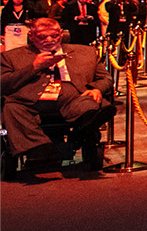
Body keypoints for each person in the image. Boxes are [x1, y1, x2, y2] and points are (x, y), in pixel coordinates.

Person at [2, 17, 115, 171]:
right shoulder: (11, 57)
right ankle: (40, 147)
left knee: (89, 103)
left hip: (73, 98)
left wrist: (97, 89)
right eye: (42, 37)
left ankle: (89, 122)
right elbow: (3, 83)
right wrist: (34, 67)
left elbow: (106, 78)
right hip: (30, 101)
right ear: (31, 36)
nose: (49, 40)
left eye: (54, 36)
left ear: (61, 34)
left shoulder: (86, 52)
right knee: (12, 109)